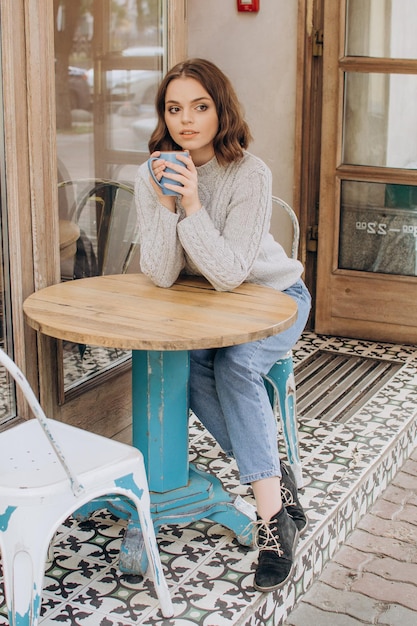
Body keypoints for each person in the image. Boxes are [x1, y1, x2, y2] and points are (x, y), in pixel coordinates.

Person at [135, 58, 311, 592]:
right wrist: (168, 201)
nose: (186, 120)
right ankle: (275, 488)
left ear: (220, 109)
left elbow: (232, 273)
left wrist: (192, 201)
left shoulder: (249, 173)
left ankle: (271, 524)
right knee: (181, 363)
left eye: (200, 106)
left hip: (276, 298)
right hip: (207, 306)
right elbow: (163, 274)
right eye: (174, 108)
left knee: (236, 367)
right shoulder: (154, 172)